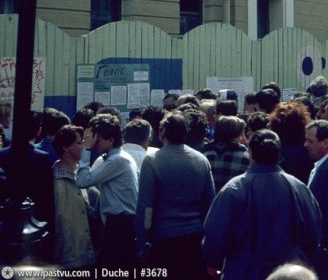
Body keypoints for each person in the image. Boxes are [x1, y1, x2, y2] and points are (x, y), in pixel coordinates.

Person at [202, 130, 321, 279]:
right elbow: (313, 231)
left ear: (250, 153)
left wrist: (213, 262)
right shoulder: (299, 188)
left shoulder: (235, 188)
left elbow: (215, 232)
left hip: (243, 271)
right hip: (286, 272)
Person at [135, 111, 215, 280]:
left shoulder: (152, 161)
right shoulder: (201, 160)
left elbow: (146, 206)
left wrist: (141, 241)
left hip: (163, 239)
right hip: (195, 237)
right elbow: (209, 204)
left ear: (162, 132)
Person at [76, 113, 138, 269]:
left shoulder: (117, 160)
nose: (93, 143)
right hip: (119, 223)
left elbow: (82, 181)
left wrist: (86, 148)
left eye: (97, 139)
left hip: (120, 224)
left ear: (111, 140)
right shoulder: (118, 157)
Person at [304, 120, 328, 280]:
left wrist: (325, 245)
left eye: (310, 141)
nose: (305, 144)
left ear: (325, 142)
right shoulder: (323, 164)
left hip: (326, 249)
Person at [52, 125, 95, 269]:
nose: (83, 146)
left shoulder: (82, 173)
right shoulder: (54, 178)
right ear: (65, 147)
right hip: (67, 257)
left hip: (86, 253)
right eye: (79, 143)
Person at [202, 115, 250, 191]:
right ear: (236, 135)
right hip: (235, 201)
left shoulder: (204, 154)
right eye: (241, 134)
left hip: (210, 201)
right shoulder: (246, 157)